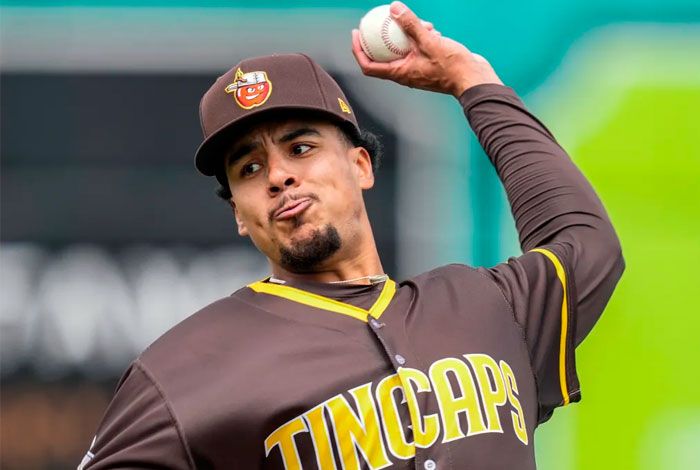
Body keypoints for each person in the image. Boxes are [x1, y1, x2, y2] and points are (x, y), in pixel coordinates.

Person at [79, 2, 624, 469]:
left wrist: (471, 80)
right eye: (249, 168)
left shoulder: (489, 308)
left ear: (361, 165)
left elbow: (587, 244)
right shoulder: (183, 372)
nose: (278, 176)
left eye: (300, 148)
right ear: (239, 214)